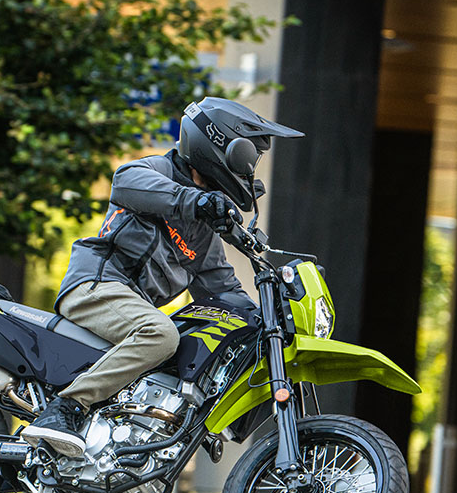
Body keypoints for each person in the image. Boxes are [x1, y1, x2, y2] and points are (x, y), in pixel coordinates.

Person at [21, 97, 303, 456]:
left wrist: (270, 321)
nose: (250, 169)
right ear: (225, 147)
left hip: (130, 313)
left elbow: (223, 290)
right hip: (95, 287)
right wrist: (196, 201)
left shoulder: (203, 236)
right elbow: (125, 181)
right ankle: (66, 407)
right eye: (250, 158)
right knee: (161, 335)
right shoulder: (159, 171)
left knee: (190, 346)